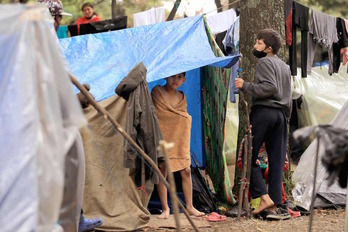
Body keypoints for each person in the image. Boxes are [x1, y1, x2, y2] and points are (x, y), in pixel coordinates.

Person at [38, 0, 103, 230]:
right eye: (59, 18)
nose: (60, 23)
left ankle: (75, 217)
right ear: (53, 18)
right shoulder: (42, 37)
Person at [235, 28, 292, 220]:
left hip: (265, 112)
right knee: (276, 161)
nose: (255, 46)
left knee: (248, 157)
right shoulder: (285, 67)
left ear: (268, 48)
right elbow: (288, 95)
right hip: (281, 115)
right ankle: (275, 207)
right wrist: (285, 118)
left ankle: (264, 197)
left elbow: (269, 88)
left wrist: (245, 85)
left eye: (258, 43)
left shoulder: (264, 61)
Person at [151, 73, 205, 219]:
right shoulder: (156, 92)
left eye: (180, 77)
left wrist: (181, 120)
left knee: (186, 170)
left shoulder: (182, 97)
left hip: (179, 138)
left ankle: (190, 206)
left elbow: (182, 118)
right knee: (163, 170)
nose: (176, 79)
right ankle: (165, 208)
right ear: (166, 76)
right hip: (163, 137)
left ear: (184, 80)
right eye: (173, 76)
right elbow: (157, 115)